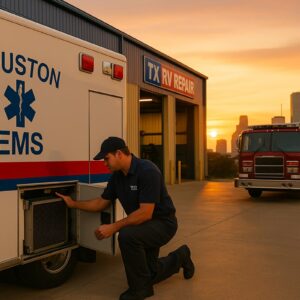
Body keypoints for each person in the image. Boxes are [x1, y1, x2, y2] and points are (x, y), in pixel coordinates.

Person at [56, 136, 195, 300]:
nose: (104, 163)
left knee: (127, 236)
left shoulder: (147, 171)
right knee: (149, 273)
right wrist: (73, 204)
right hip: (144, 226)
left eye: (106, 158)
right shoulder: (117, 177)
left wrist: (113, 227)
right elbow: (101, 202)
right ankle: (181, 256)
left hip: (163, 223)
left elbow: (146, 213)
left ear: (119, 153)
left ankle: (140, 290)